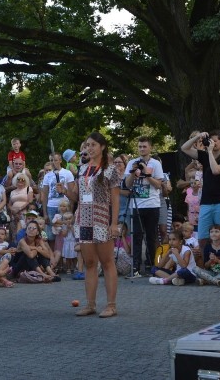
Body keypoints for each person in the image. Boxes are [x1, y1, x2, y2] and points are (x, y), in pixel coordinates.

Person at [65, 132, 121, 316]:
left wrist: (114, 223)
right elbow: (77, 197)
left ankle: (111, 305)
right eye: (87, 145)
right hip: (84, 219)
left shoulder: (110, 170)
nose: (89, 148)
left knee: (107, 262)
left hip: (102, 217)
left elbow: (115, 198)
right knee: (89, 262)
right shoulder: (81, 169)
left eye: (93, 145)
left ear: (102, 147)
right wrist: (65, 192)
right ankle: (90, 304)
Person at [180, 130, 220, 253]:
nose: (212, 144)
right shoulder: (204, 156)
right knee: (203, 237)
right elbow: (184, 148)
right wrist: (198, 137)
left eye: (215, 141)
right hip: (206, 203)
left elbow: (216, 170)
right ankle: (203, 265)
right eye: (211, 141)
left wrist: (209, 151)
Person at [124, 137, 165, 275]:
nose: (142, 149)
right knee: (136, 236)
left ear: (150, 148)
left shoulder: (156, 163)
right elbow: (127, 185)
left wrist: (146, 173)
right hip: (136, 205)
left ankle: (151, 265)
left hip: (152, 205)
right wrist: (133, 173)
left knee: (151, 236)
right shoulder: (131, 163)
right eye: (140, 146)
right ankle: (135, 267)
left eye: (144, 146)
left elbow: (159, 185)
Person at [40, 152, 75, 248]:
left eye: (55, 160)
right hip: (51, 206)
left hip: (64, 205)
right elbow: (45, 194)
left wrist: (71, 210)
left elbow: (72, 193)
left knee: (65, 232)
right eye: (51, 160)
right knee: (51, 234)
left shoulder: (67, 173)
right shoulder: (47, 176)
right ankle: (54, 258)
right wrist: (45, 213)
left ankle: (65, 256)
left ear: (60, 160)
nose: (53, 162)